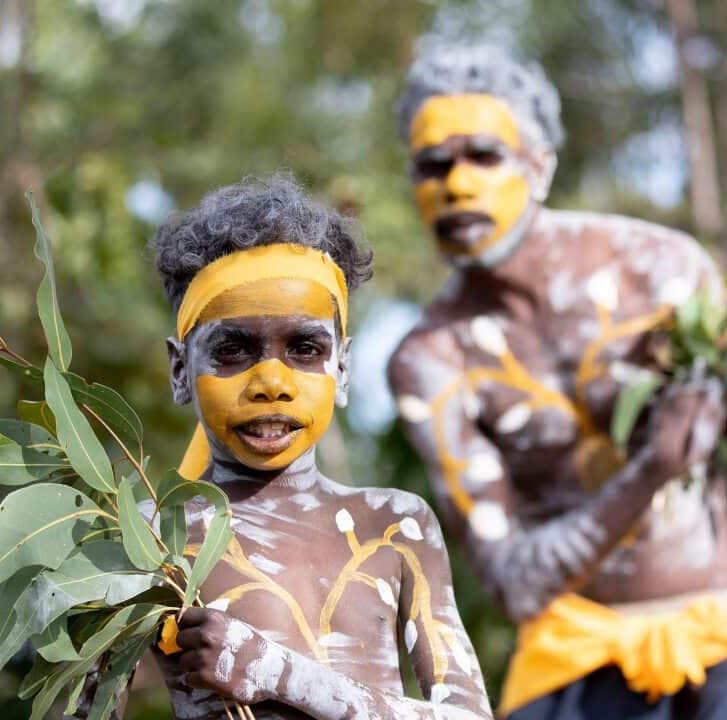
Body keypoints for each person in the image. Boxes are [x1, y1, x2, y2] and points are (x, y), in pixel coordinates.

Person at [387, 47, 727, 720]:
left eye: (484, 156)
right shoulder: (433, 358)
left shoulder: (660, 271)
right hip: (571, 658)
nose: (457, 186)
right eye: (432, 166)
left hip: (721, 643)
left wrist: (720, 577)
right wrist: (651, 472)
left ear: (541, 166)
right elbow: (512, 585)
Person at [126, 176, 493, 719]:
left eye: (304, 348)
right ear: (181, 370)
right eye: (233, 349)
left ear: (341, 367)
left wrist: (278, 672)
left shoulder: (394, 525)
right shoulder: (146, 541)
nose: (272, 381)